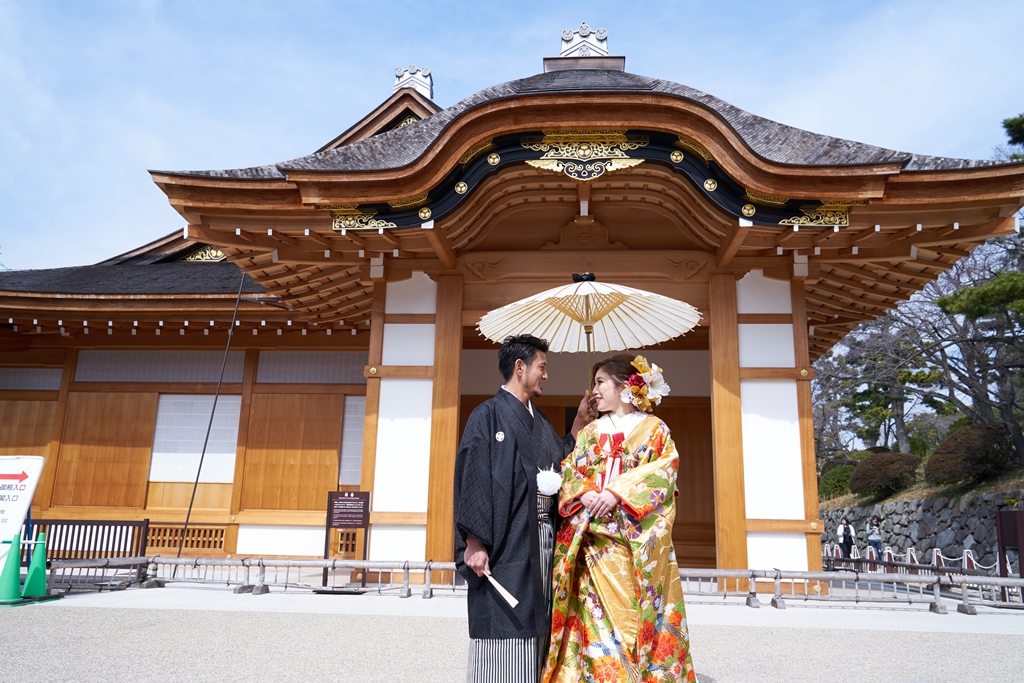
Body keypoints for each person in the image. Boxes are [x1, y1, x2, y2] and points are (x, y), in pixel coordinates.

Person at [544, 354, 697, 683]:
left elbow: (664, 474)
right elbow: (571, 469)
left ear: (626, 386)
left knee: (632, 622)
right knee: (592, 626)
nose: (594, 391)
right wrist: (584, 492)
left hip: (632, 548)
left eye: (600, 382)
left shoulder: (655, 431)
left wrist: (615, 493)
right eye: (595, 383)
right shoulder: (590, 432)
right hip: (593, 547)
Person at [453, 334, 594, 683]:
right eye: (542, 367)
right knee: (505, 625)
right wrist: (474, 541)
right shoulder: (486, 416)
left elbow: (557, 461)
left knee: (538, 620)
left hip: (542, 542)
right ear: (520, 368)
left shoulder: (541, 422)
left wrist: (578, 423)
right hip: (505, 543)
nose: (546, 375)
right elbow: (472, 477)